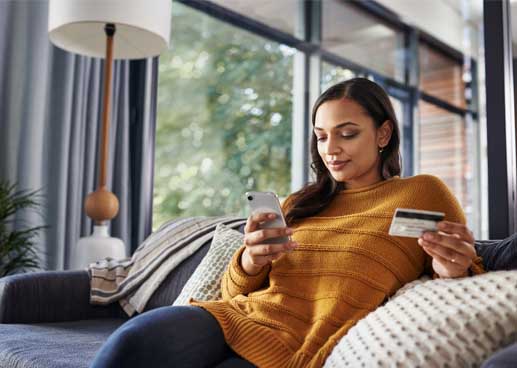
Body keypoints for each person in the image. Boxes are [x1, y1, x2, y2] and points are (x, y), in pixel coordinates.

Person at [90, 78, 484, 368]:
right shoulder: (301, 202)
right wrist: (251, 261)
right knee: (128, 347)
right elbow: (231, 293)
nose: (331, 149)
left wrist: (451, 268)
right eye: (321, 136)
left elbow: (461, 283)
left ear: (383, 133)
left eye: (347, 134)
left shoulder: (422, 193)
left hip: (302, 345)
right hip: (233, 316)